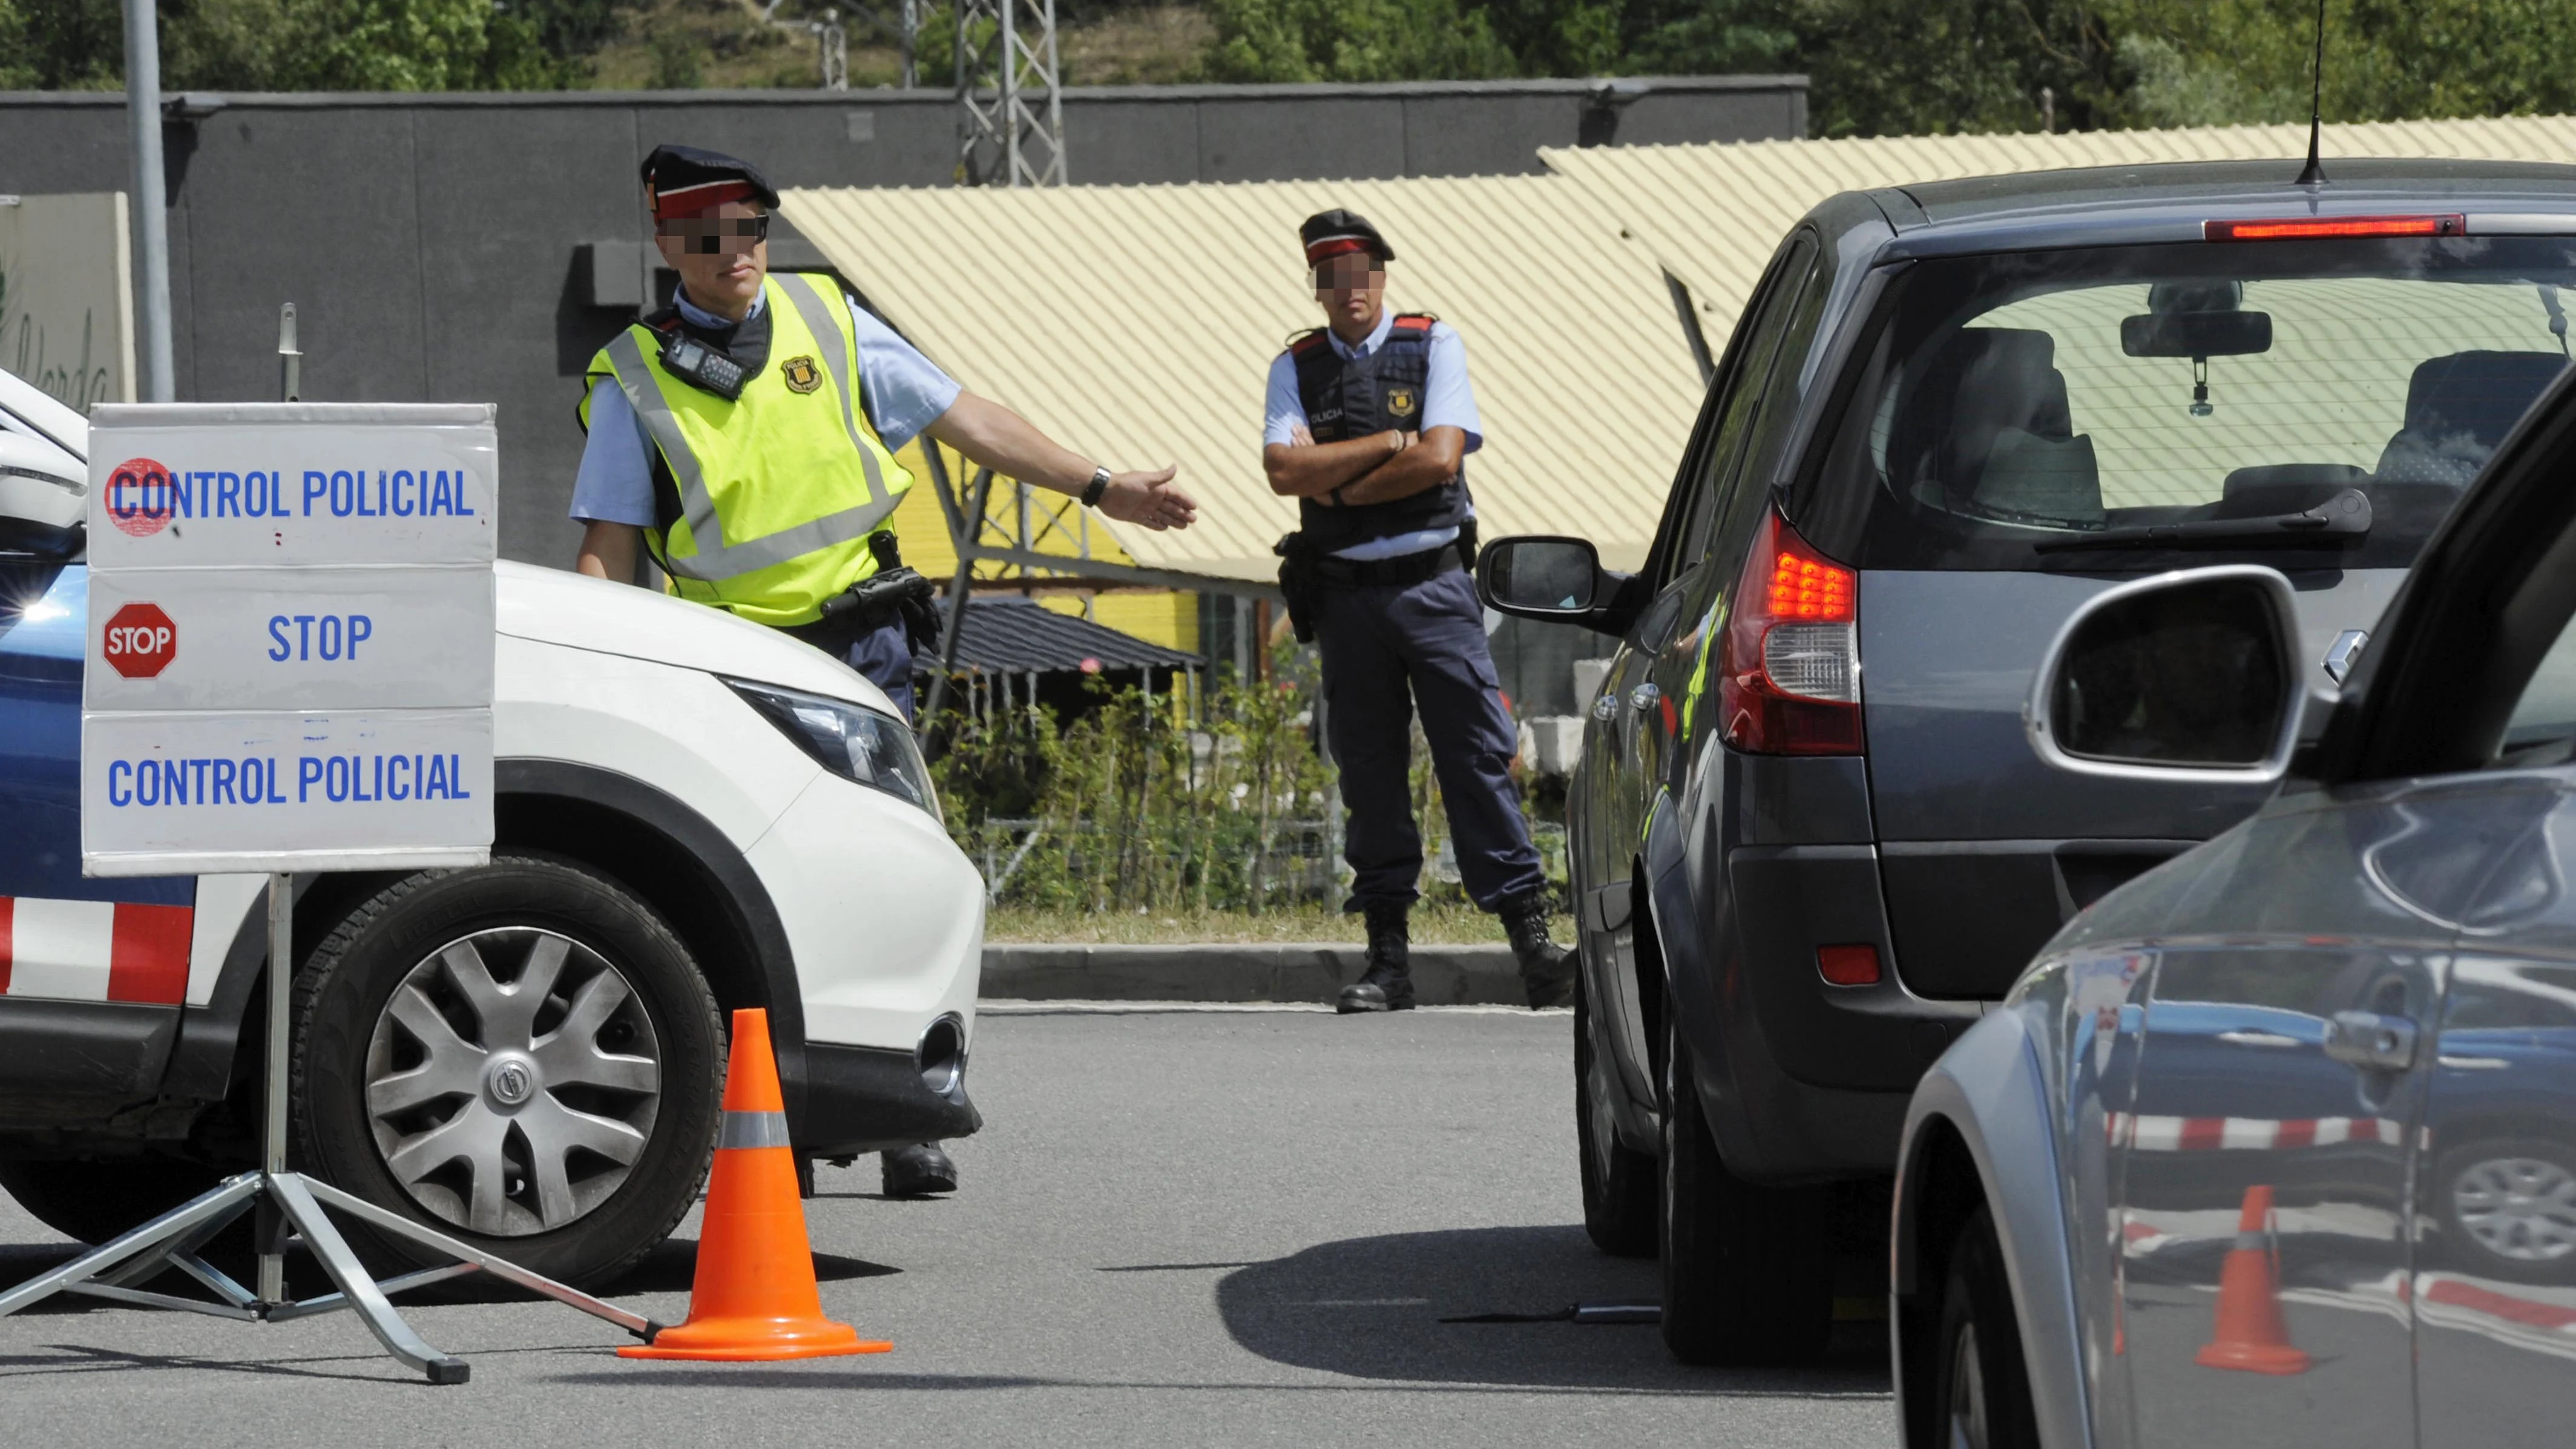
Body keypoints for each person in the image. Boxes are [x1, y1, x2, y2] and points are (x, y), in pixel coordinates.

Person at [572, 144, 1197, 1194]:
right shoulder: (633, 374)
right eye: (714, 236)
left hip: (862, 643)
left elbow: (968, 416)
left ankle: (911, 1104)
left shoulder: (826, 316)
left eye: (754, 230)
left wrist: (1100, 486)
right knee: (753, 880)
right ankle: (778, 1115)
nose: (742, 254)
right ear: (668, 243)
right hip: (732, 667)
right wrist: (603, 676)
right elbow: (608, 545)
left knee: (893, 867)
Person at [1263, 209, 1574, 1013]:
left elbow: (1442, 455)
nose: (1348, 289)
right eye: (1331, 276)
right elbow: (1282, 470)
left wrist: (1340, 483)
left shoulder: (1434, 343)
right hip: (1345, 600)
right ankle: (1388, 959)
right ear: (1317, 285)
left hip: (1433, 587)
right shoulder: (1294, 364)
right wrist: (1386, 447)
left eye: (1360, 272)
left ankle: (1535, 947)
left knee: (1476, 756)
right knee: (1369, 774)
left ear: (1382, 276)